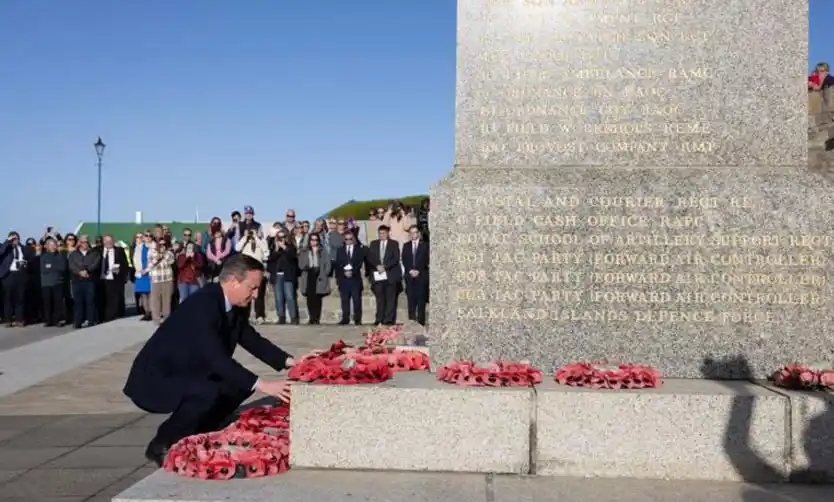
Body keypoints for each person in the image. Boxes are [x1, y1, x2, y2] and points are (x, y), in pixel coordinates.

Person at [123, 254, 297, 467]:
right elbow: (215, 358)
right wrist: (264, 385)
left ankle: (203, 430)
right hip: (157, 377)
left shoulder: (232, 305)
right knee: (207, 391)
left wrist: (293, 362)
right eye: (252, 287)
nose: (255, 295)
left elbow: (251, 339)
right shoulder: (204, 304)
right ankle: (162, 444)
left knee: (237, 385)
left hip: (188, 370)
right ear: (233, 280)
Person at [365, 225, 402, 326]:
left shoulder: (393, 244)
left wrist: (385, 266)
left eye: (384, 233)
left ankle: (389, 319)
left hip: (390, 275)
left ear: (387, 233)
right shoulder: (373, 244)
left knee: (390, 298)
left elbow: (395, 258)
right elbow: (370, 257)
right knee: (380, 298)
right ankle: (379, 319)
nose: (382, 235)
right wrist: (377, 265)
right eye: (380, 233)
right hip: (378, 275)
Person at [298, 233, 331, 324]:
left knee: (317, 298)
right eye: (312, 240)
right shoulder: (304, 251)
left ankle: (317, 318)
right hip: (308, 274)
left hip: (319, 275)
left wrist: (325, 273)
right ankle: (311, 317)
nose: (314, 242)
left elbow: (327, 264)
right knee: (310, 298)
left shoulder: (322, 251)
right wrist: (306, 265)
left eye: (316, 240)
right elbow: (300, 264)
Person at [334, 231, 364, 325]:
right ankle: (345, 318)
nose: (348, 241)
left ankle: (357, 319)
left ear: (353, 239)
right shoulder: (340, 250)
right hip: (344, 279)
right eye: (346, 239)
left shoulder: (358, 249)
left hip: (355, 278)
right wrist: (344, 272)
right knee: (345, 300)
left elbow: (359, 263)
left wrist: (352, 271)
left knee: (356, 300)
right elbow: (338, 263)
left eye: (350, 239)